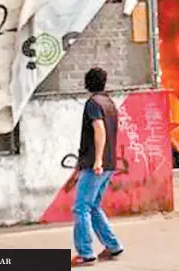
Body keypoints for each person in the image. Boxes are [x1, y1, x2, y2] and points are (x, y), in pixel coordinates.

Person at [70, 68, 124, 267]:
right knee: (93, 206)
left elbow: (99, 129)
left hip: (97, 164)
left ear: (87, 83)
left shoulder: (93, 103)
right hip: (108, 163)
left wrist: (97, 160)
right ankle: (113, 245)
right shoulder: (109, 102)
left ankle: (85, 252)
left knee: (80, 207)